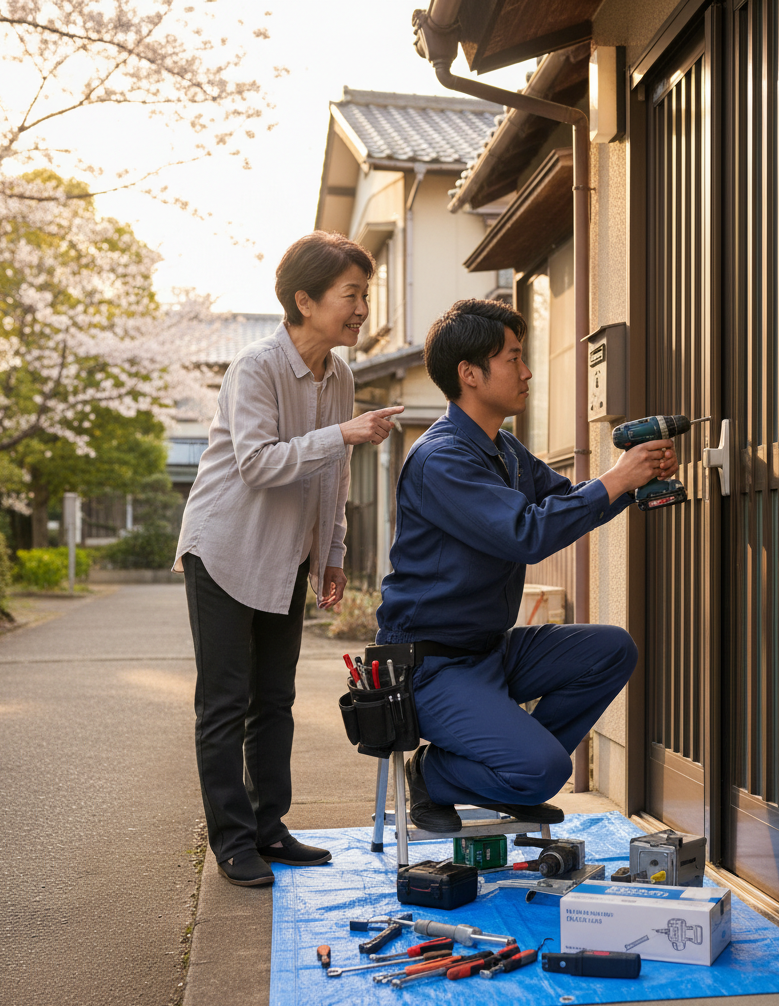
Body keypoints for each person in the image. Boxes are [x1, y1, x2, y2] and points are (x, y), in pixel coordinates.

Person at [375, 299, 677, 831]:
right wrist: (618, 478)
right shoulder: (441, 459)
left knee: (611, 650)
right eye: (513, 359)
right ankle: (434, 773)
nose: (528, 372)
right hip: (431, 666)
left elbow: (567, 501)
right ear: (470, 374)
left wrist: (636, 480)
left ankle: (515, 770)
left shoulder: (506, 450)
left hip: (490, 650)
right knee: (544, 771)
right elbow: (526, 533)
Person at [174, 231, 404, 885]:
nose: (362, 309)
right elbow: (256, 463)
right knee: (225, 702)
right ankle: (232, 842)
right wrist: (342, 432)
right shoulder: (256, 367)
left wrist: (331, 554)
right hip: (224, 549)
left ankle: (268, 828)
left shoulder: (342, 375)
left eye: (365, 295)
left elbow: (333, 476)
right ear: (305, 300)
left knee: (275, 699)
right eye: (351, 295)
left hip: (286, 556)